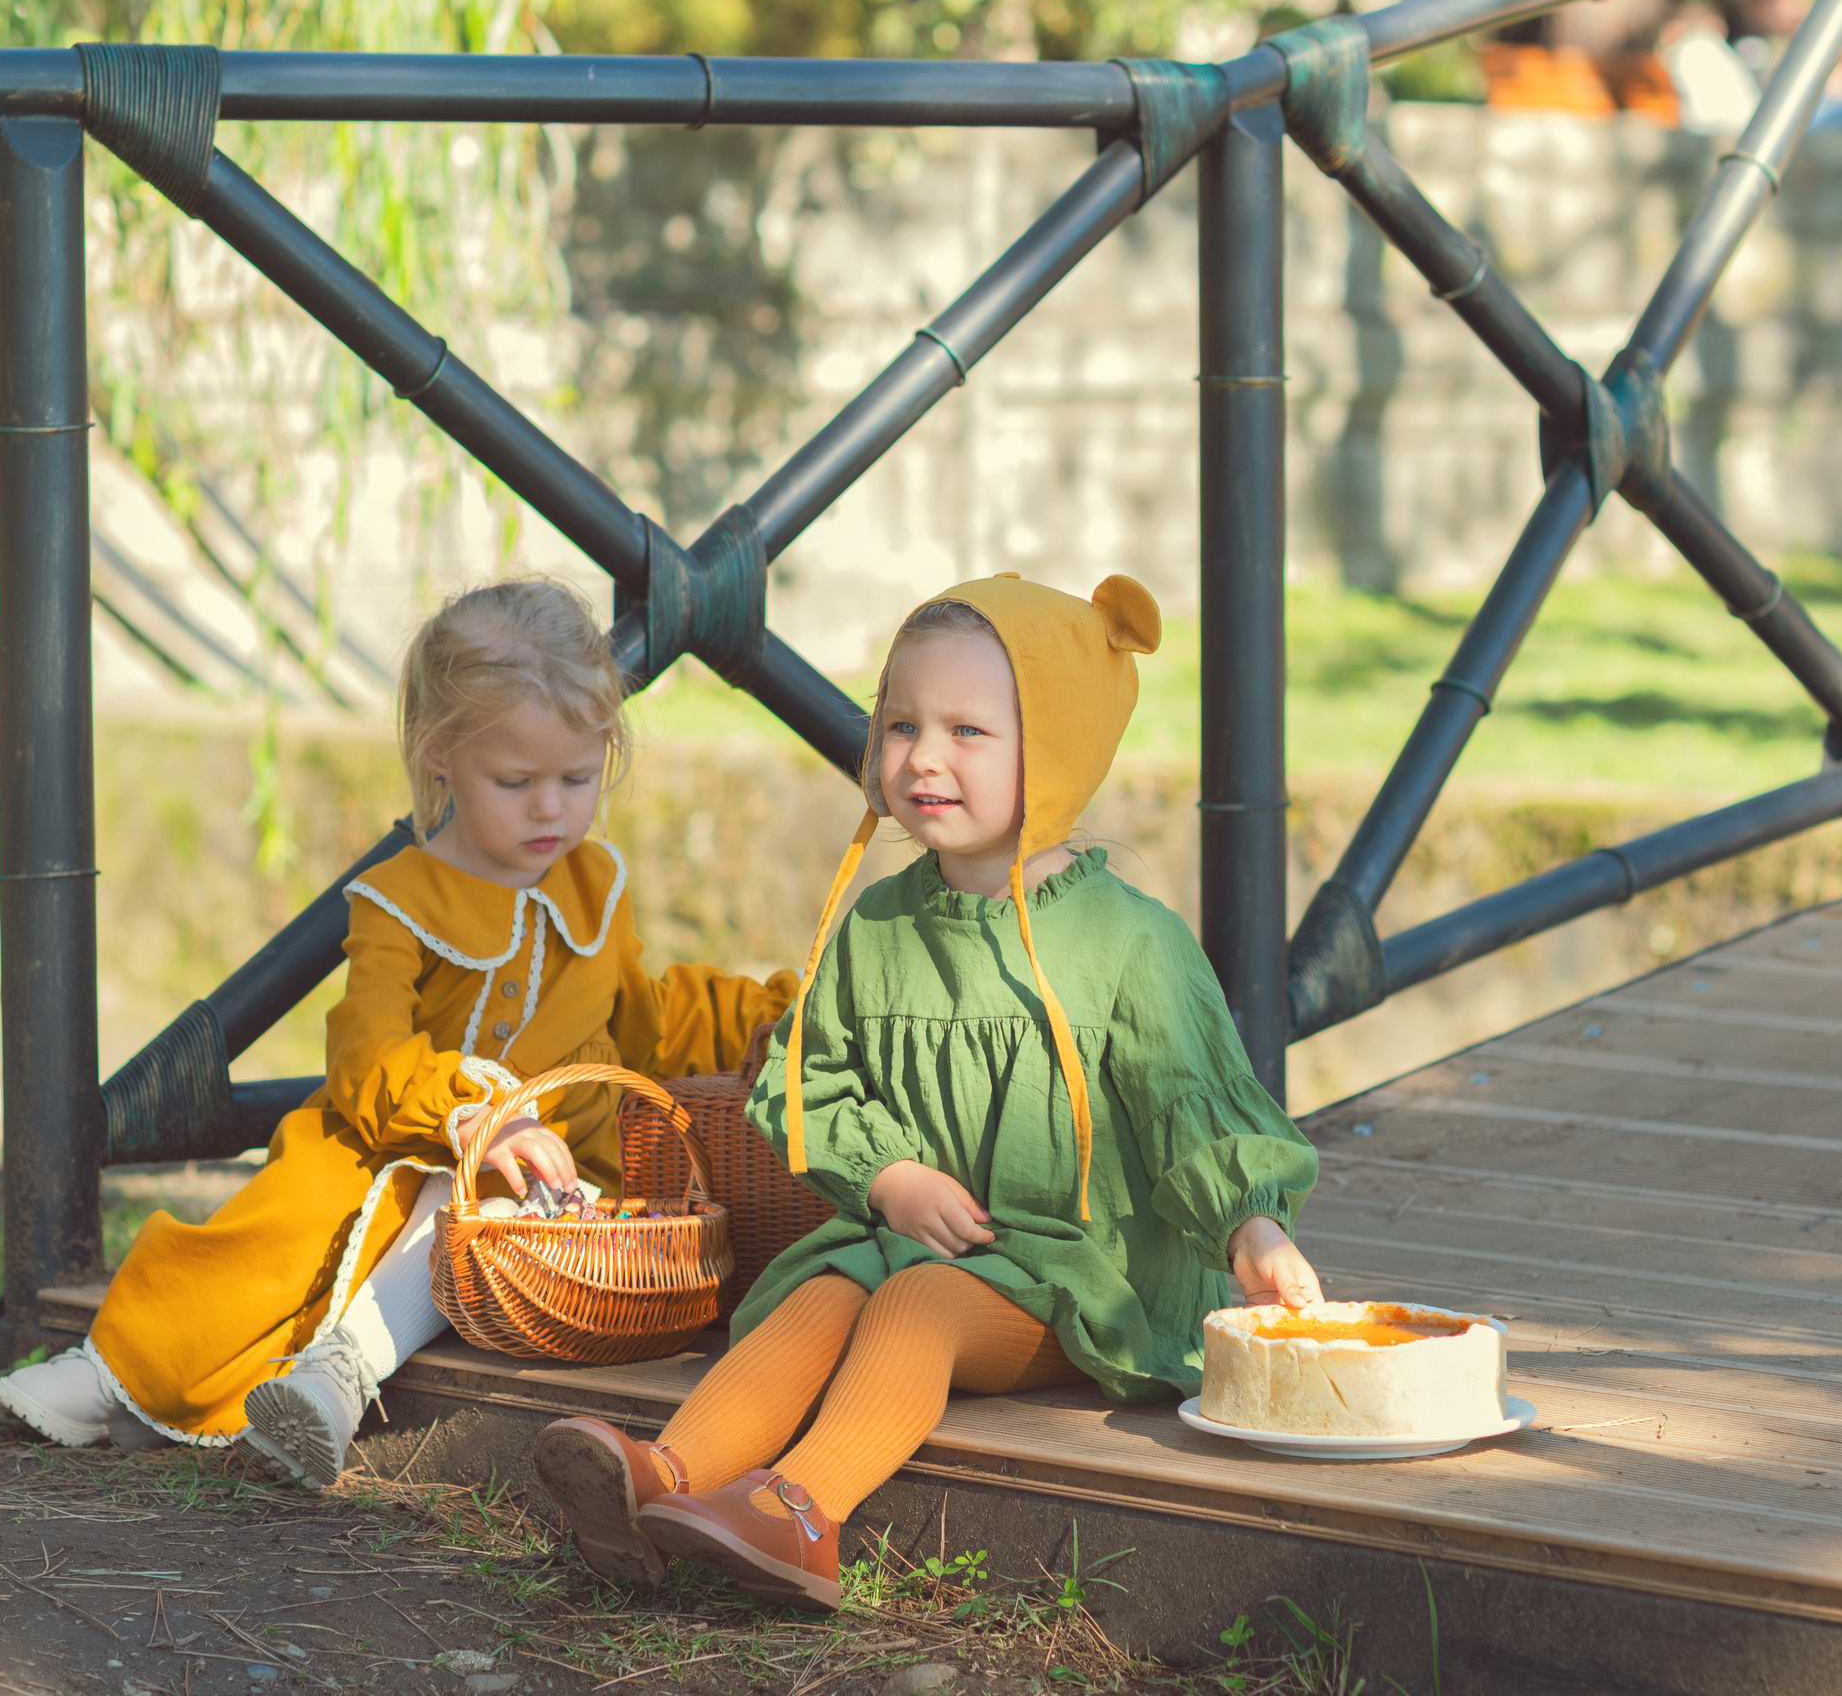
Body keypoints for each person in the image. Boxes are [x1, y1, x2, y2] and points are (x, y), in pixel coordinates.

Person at [527, 574, 1322, 1609]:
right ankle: (662, 1479)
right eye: (900, 724)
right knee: (825, 1290)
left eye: (968, 731)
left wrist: (1247, 1227)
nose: (923, 757)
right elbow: (804, 1079)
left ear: (1060, 742)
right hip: (912, 1237)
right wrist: (887, 1175)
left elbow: (1193, 1106)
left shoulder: (1132, 943)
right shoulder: (876, 928)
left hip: (1084, 1279)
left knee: (914, 1301)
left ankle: (802, 1512)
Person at [0, 577, 797, 1483]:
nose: (551, 811)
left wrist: (772, 1013)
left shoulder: (593, 887)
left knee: (478, 1206)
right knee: (271, 1238)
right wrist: (465, 1114)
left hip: (546, 1171)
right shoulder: (398, 900)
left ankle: (337, 1381)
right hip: (389, 1139)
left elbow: (648, 1015)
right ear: (440, 754)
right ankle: (110, 1374)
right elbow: (366, 1051)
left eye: (578, 779)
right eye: (516, 782)